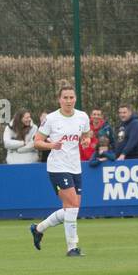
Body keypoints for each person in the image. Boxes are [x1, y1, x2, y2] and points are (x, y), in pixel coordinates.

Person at [31, 84, 91, 257]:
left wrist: (86, 140)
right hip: (57, 167)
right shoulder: (51, 119)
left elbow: (86, 134)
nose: (69, 100)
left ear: (75, 99)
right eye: (65, 97)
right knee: (72, 205)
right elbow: (37, 141)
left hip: (75, 166)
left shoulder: (82, 117)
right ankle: (72, 247)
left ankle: (38, 228)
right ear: (59, 99)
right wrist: (51, 145)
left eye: (71, 97)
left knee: (72, 209)